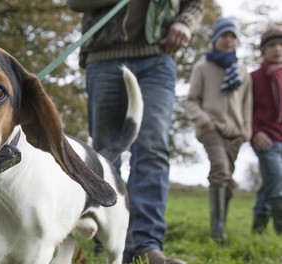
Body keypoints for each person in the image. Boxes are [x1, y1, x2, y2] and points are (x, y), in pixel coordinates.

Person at [66, 1, 204, 263]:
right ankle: (103, 234)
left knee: (152, 148)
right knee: (104, 154)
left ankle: (145, 244)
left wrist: (185, 22)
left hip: (158, 54)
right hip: (103, 56)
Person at [186, 17, 252, 244]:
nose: (229, 40)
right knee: (221, 170)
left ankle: (220, 224)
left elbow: (246, 104)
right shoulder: (202, 68)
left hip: (235, 133)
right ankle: (217, 231)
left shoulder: (242, 72)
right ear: (215, 39)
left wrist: (246, 131)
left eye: (233, 37)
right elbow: (192, 100)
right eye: (225, 36)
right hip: (210, 129)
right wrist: (205, 120)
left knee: (227, 180)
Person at [250, 26, 282, 235]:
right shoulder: (254, 78)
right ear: (263, 50)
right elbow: (245, 110)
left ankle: (258, 229)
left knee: (269, 184)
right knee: (278, 182)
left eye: (280, 45)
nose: (277, 49)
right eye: (271, 45)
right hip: (266, 139)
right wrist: (254, 133)